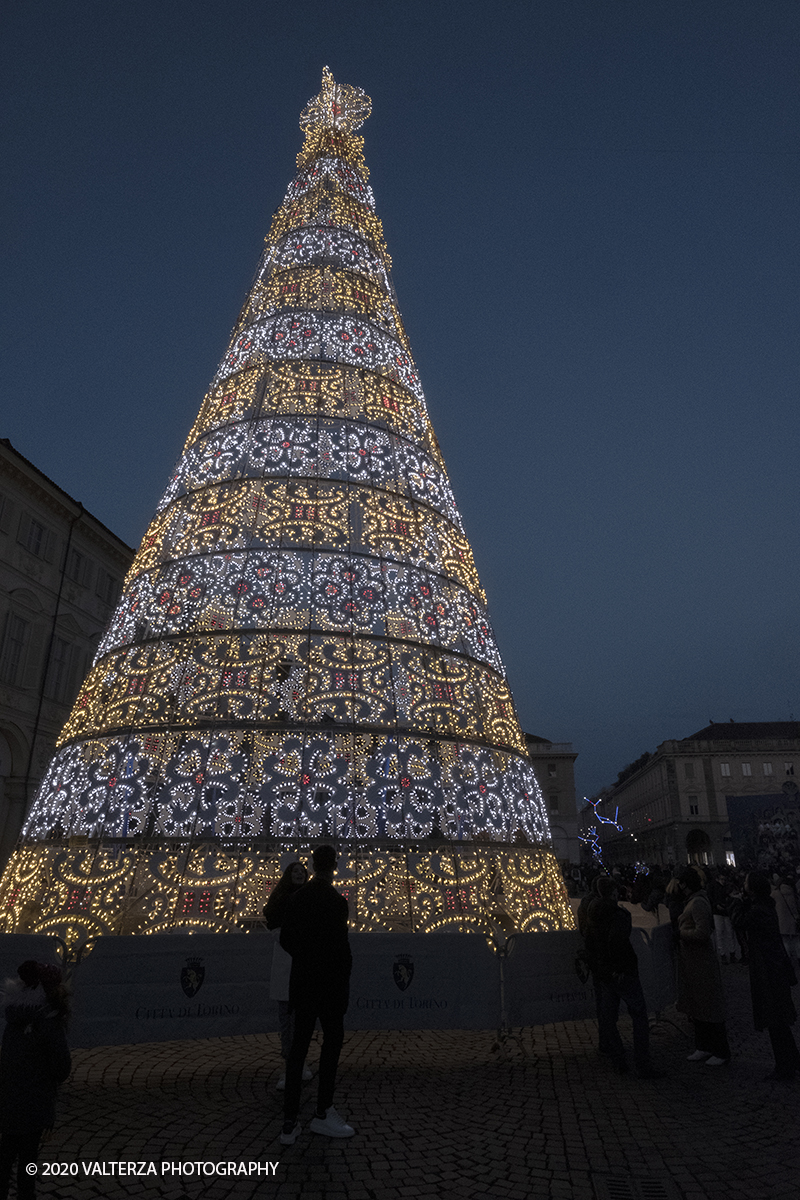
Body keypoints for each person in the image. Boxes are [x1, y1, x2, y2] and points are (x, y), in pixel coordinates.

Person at [279, 845, 353, 1143]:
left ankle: (289, 1122)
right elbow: (341, 949)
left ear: (311, 864)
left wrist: (304, 958)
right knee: (330, 1048)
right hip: (330, 986)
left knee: (298, 1050)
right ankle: (323, 1112)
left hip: (304, 984)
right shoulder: (337, 902)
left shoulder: (297, 898)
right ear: (333, 867)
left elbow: (286, 939)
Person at [0, 961, 71, 1200]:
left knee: (6, 1152)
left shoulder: (15, 1016)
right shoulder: (48, 1021)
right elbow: (61, 1064)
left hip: (10, 1099)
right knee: (28, 1158)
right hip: (36, 1101)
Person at [584, 876, 665, 1079]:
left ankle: (618, 1059)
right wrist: (619, 968)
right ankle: (642, 1062)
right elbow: (617, 943)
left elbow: (591, 943)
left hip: (604, 972)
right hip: (622, 972)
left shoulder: (591, 912)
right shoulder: (618, 914)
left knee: (608, 1018)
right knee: (639, 1015)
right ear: (613, 893)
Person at [741, 871, 800, 1080]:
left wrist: (739, 903)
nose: (744, 883)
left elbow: (739, 922)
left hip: (768, 970)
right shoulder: (766, 905)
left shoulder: (757, 910)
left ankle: (785, 1065)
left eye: (746, 881)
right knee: (780, 1020)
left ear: (753, 887)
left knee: (775, 1019)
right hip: (774, 967)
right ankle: (791, 1058)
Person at [264, 860, 312, 1091]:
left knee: (303, 1016)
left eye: (302, 871)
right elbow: (270, 917)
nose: (299, 874)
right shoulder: (281, 899)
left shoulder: (310, 897)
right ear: (288, 874)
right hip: (286, 960)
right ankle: (289, 1064)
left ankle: (299, 1062)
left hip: (304, 962)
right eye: (295, 871)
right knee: (286, 1016)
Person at [676, 866, 731, 1066]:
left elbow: (702, 932)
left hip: (702, 961)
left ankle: (720, 1050)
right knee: (698, 1005)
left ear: (686, 884)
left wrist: (681, 934)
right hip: (693, 961)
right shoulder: (693, 900)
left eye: (681, 883)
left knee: (709, 1005)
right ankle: (703, 1046)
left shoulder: (698, 902)